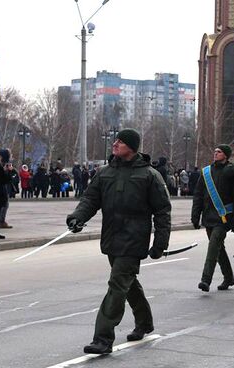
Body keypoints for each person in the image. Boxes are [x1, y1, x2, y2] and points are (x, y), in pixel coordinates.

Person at [67, 129, 171, 355]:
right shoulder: (104, 172)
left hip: (134, 240)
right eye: (115, 140)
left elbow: (163, 212)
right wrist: (77, 218)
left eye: (120, 141)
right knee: (127, 283)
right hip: (111, 238)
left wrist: (160, 243)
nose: (114, 144)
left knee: (117, 285)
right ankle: (144, 322)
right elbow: (90, 200)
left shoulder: (150, 175)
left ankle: (103, 338)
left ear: (132, 147)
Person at [192, 144, 234, 292]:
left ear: (225, 155)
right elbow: (198, 195)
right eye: (215, 151)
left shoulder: (231, 172)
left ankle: (205, 279)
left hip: (223, 218)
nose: (215, 153)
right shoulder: (206, 172)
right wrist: (195, 216)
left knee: (213, 246)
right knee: (219, 249)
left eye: (219, 152)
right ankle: (229, 277)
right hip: (208, 216)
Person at [0, 149, 13, 228]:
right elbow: (6, 178)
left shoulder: (2, 164)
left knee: (4, 204)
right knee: (4, 204)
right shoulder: (3, 165)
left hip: (2, 187)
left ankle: (0, 220)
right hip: (2, 188)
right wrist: (9, 171)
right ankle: (1, 221)